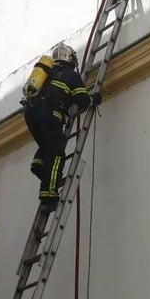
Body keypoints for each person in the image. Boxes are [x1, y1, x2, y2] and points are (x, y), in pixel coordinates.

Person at [21, 43, 95, 210]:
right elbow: (82, 99)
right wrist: (94, 99)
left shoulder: (46, 75)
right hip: (50, 114)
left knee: (48, 144)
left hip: (30, 113)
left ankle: (39, 164)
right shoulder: (71, 75)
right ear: (71, 59)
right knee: (56, 155)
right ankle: (49, 196)